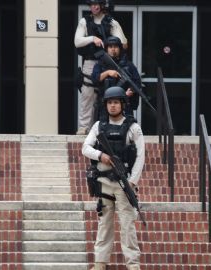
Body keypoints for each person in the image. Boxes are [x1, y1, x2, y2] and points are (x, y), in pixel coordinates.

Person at [82, 86, 144, 270]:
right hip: (104, 183)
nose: (113, 106)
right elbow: (85, 148)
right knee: (104, 225)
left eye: (116, 102)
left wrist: (132, 181)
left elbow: (141, 156)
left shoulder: (133, 127)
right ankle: (100, 264)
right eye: (110, 102)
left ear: (122, 104)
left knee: (127, 226)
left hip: (124, 183)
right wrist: (102, 156)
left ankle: (133, 265)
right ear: (106, 105)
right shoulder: (98, 126)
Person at [74, 0, 128, 135]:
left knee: (109, 94)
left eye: (97, 3)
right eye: (91, 4)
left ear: (103, 5)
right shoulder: (84, 22)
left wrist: (110, 45)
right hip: (90, 62)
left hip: (107, 62)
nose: (94, 7)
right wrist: (92, 38)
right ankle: (84, 127)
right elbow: (77, 41)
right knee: (87, 95)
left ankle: (107, 127)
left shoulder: (111, 22)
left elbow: (124, 43)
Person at [91, 36, 141, 120]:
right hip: (104, 104)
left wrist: (130, 91)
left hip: (124, 104)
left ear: (120, 49)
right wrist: (108, 73)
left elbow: (137, 83)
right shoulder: (100, 64)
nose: (113, 49)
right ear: (106, 49)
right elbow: (95, 79)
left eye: (115, 47)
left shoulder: (128, 65)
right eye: (110, 47)